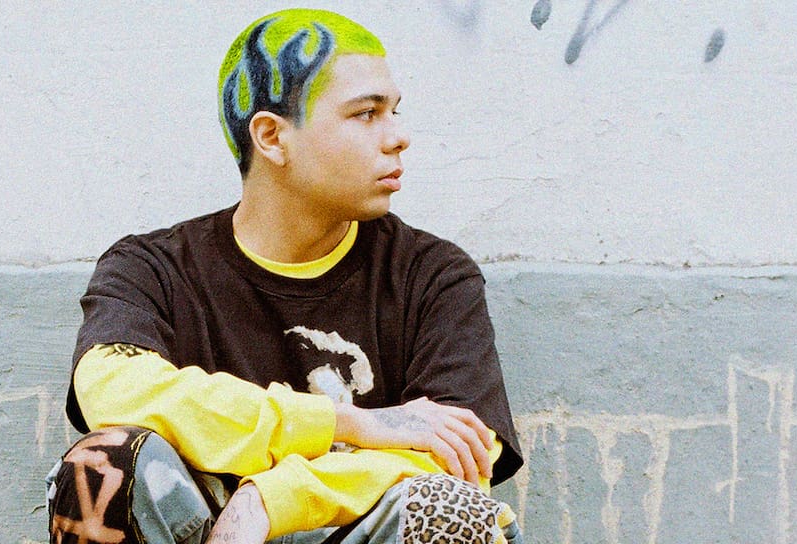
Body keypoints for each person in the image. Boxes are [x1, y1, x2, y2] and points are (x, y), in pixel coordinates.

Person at [47, 8, 523, 544]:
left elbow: (465, 453)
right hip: (197, 533)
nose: (399, 137)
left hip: (347, 531)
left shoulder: (432, 275)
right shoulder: (151, 268)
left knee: (451, 505)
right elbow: (109, 388)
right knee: (101, 465)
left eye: (394, 111)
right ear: (272, 137)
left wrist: (268, 500)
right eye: (366, 114)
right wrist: (349, 423)